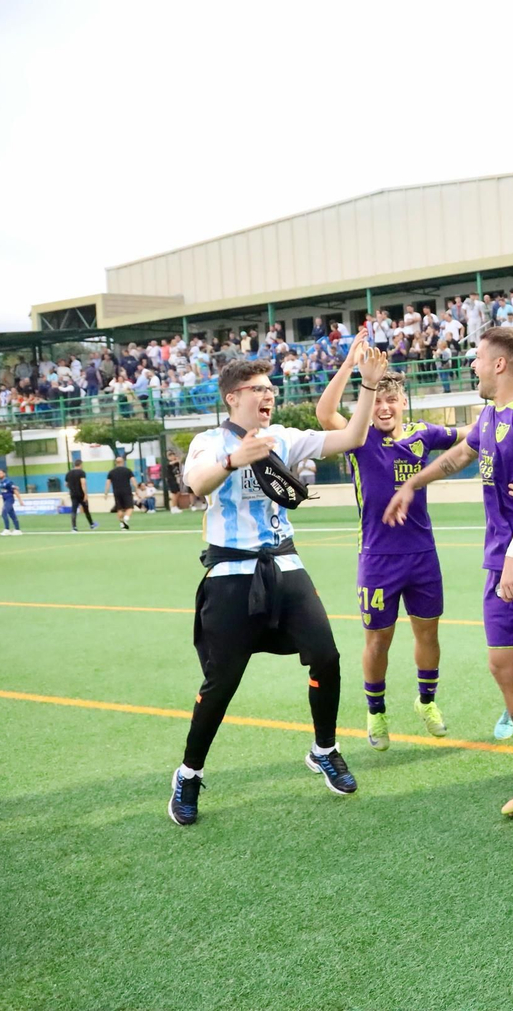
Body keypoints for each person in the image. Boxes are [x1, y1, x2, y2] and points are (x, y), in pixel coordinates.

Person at [168, 347, 386, 826]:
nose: (268, 396)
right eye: (258, 390)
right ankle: (188, 774)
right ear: (232, 398)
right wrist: (233, 458)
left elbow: (351, 436)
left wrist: (365, 383)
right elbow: (196, 483)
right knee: (221, 683)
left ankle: (324, 749)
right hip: (231, 575)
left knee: (326, 656)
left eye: (271, 389)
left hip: (285, 565)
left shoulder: (284, 438)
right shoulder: (209, 442)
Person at [385, 326, 513, 838]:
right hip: (499, 561)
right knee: (503, 666)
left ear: (499, 364)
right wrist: (413, 483)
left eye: (476, 359)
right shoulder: (491, 414)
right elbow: (459, 455)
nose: (471, 366)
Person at [316, 327, 462, 750]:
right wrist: (349, 366)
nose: (383, 407)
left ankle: (426, 701)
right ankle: (376, 712)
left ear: (402, 403)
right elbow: (326, 415)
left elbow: (472, 437)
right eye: (376, 399)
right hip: (378, 557)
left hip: (423, 556)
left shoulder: (423, 435)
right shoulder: (359, 438)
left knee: (428, 635)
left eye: (390, 399)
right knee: (378, 640)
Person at [107, 454, 137, 530]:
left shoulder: (111, 472)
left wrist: (106, 492)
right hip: (126, 491)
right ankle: (126, 519)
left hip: (116, 492)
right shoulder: (127, 470)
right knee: (130, 507)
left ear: (115, 462)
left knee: (119, 509)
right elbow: (133, 480)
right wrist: (137, 489)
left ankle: (122, 524)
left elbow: (108, 482)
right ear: (123, 462)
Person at [65, 459, 95, 531]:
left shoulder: (68, 473)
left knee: (74, 510)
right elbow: (83, 483)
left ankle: (74, 527)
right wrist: (85, 494)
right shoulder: (81, 473)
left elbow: (66, 484)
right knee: (86, 509)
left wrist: (71, 488)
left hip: (73, 494)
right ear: (80, 464)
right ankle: (91, 524)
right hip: (81, 494)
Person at [0, 468, 21, 535]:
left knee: (4, 513)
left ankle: (6, 529)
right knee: (12, 514)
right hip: (5, 500)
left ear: (4, 474)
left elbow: (14, 490)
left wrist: (20, 500)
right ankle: (17, 529)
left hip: (9, 499)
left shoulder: (8, 481)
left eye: (0, 473)